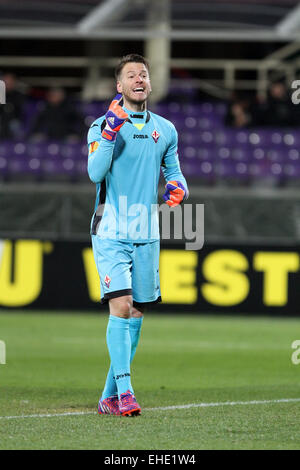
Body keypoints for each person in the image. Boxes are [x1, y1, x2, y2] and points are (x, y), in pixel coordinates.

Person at [87, 54, 188, 417]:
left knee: (137, 313)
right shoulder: (101, 125)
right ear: (120, 86)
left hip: (147, 231)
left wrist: (178, 186)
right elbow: (95, 173)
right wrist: (112, 132)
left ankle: (107, 395)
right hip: (111, 229)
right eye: (131, 75)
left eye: (143, 74)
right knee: (121, 306)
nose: (139, 79)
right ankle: (126, 393)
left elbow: (174, 169)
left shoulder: (166, 129)